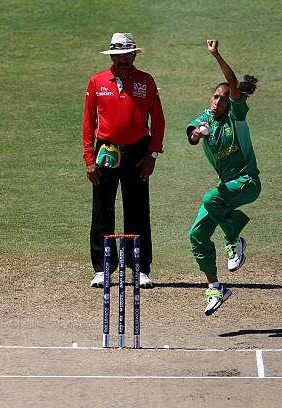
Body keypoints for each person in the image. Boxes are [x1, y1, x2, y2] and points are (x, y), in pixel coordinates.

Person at [82, 32, 165, 288]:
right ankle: (103, 268)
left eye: (126, 56)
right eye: (117, 56)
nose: (122, 61)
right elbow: (88, 122)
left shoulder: (146, 82)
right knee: (102, 208)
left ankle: (139, 268)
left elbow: (158, 120)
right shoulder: (97, 81)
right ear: (112, 57)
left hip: (138, 152)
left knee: (138, 209)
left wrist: (152, 154)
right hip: (106, 150)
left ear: (133, 55)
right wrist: (89, 157)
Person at [187, 40, 261, 315]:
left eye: (223, 98)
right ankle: (216, 288)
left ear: (232, 101)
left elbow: (230, 81)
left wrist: (215, 54)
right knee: (196, 234)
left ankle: (234, 240)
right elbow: (192, 135)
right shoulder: (205, 117)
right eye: (215, 97)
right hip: (226, 191)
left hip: (247, 182)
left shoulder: (237, 116)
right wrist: (198, 133)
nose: (218, 101)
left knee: (211, 197)